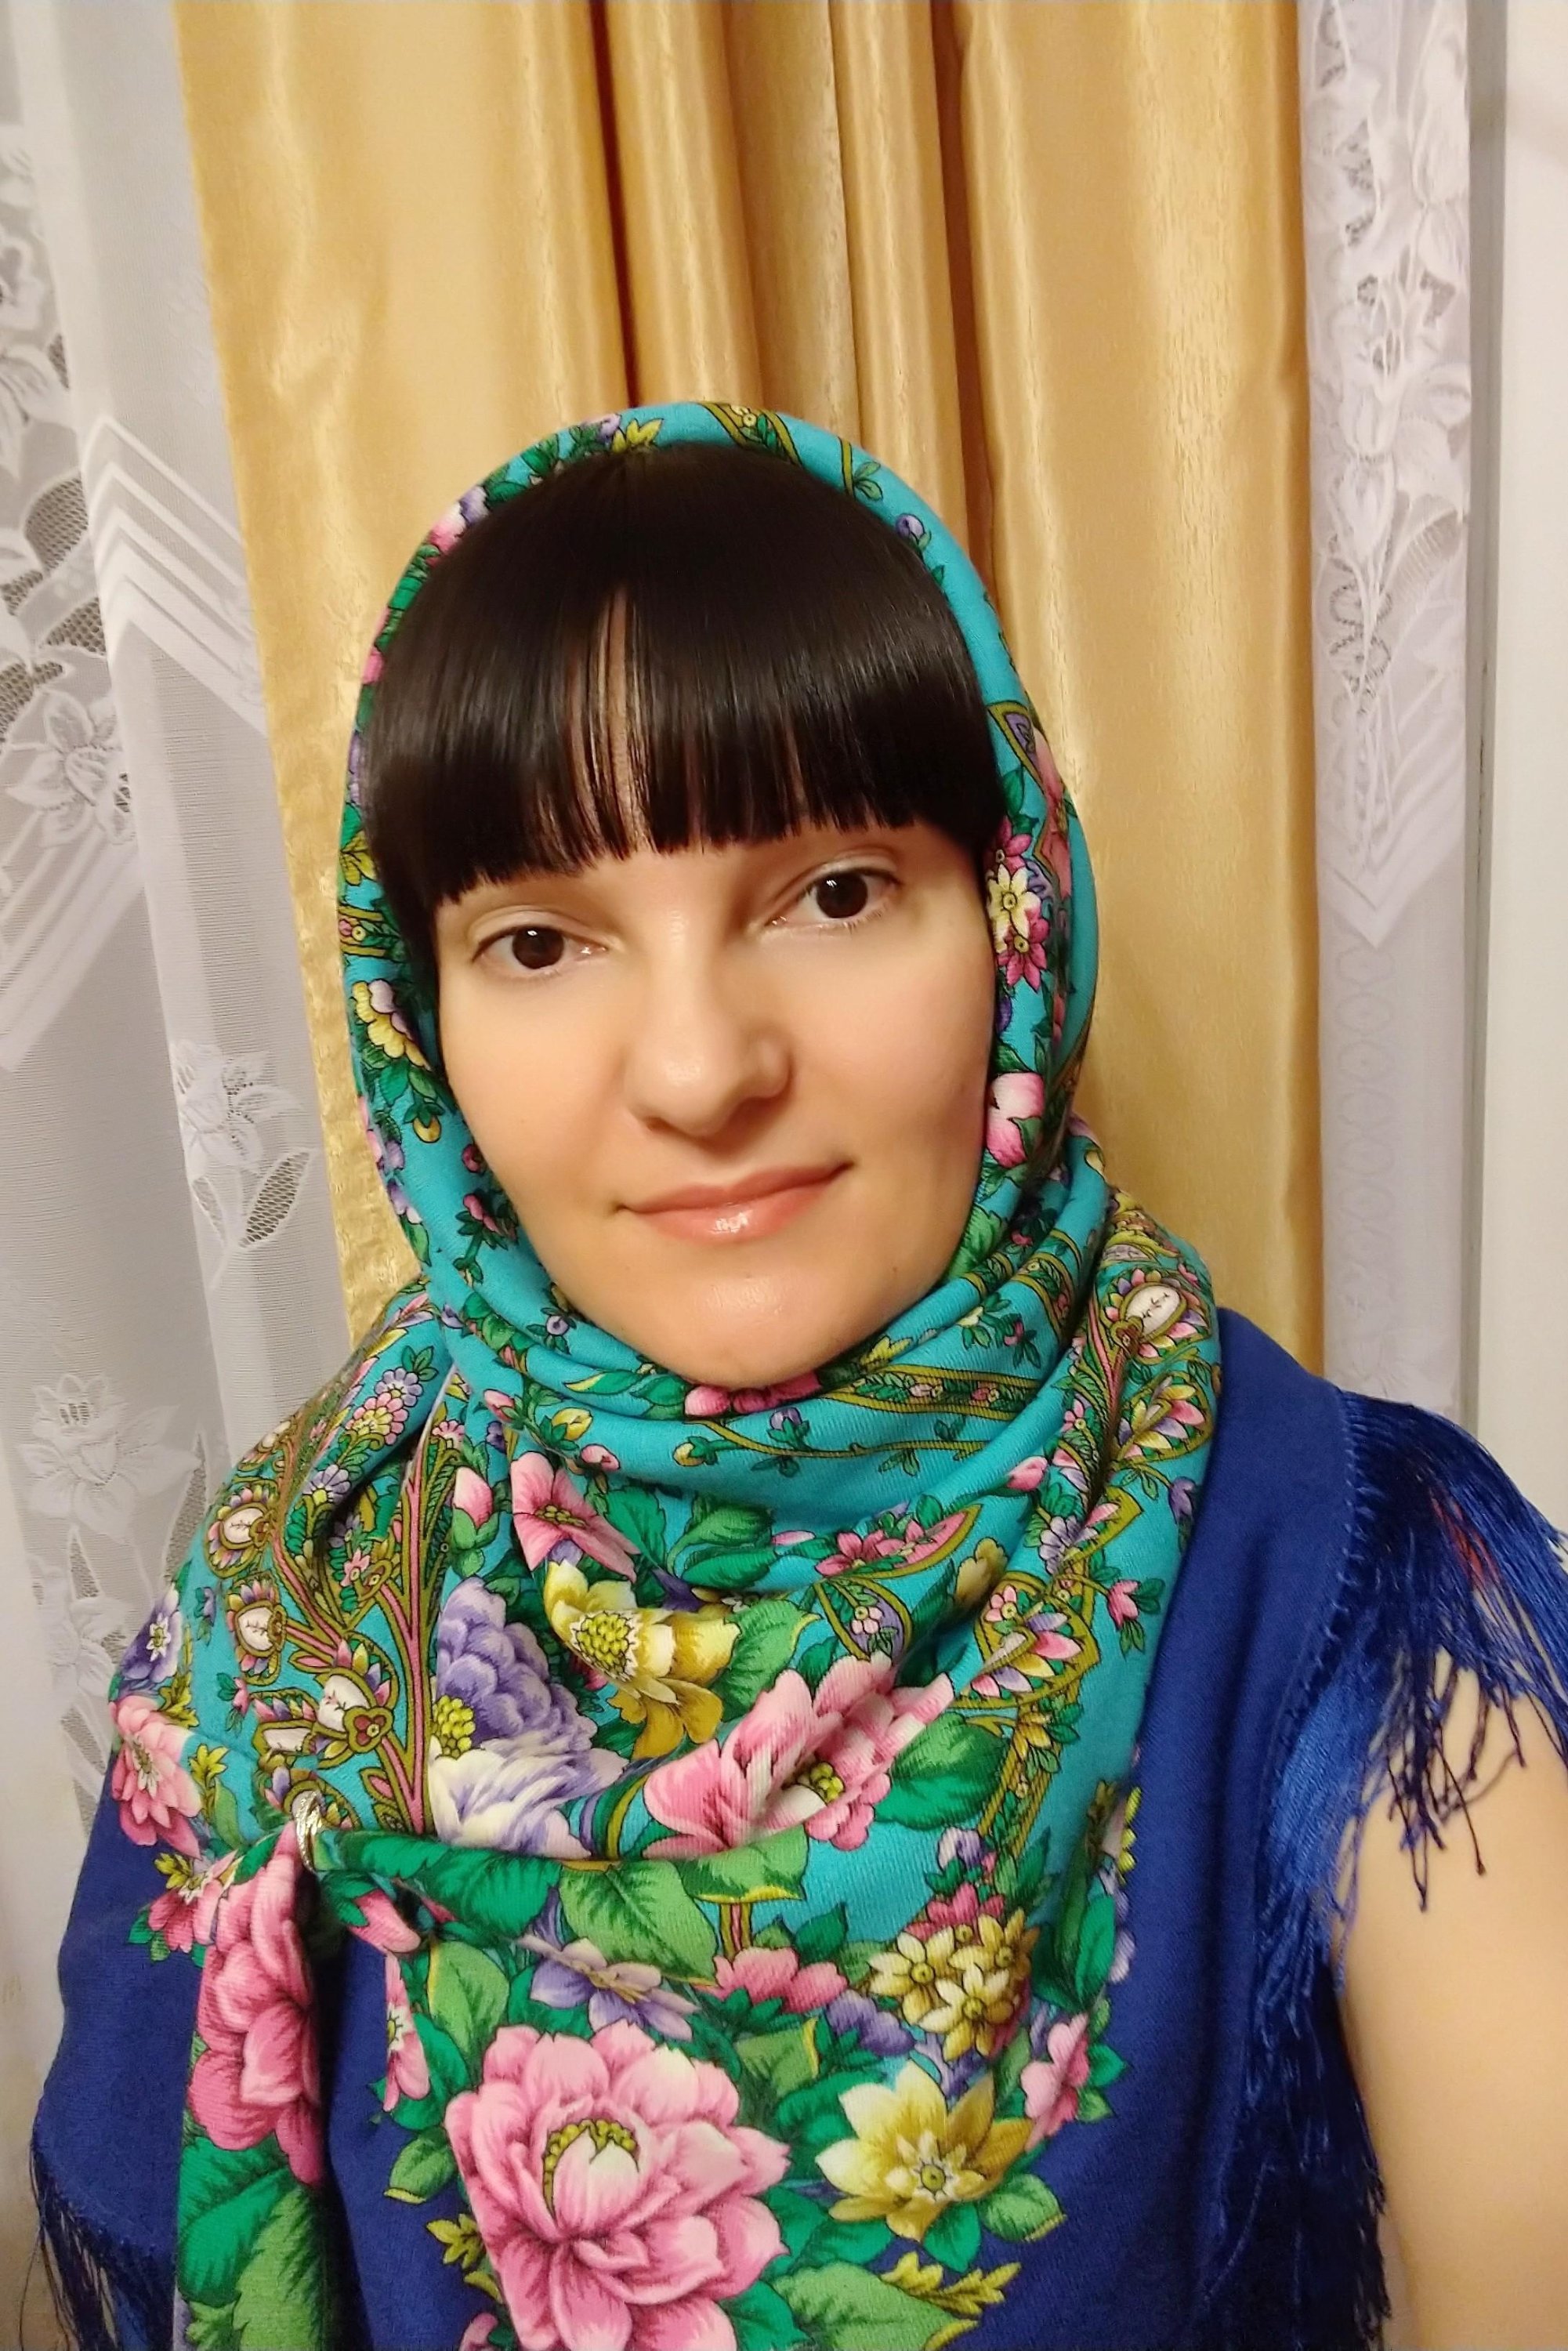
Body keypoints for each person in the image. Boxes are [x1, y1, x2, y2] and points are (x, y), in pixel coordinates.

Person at [30, 401, 1568, 2351]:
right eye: (538, 941)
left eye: (833, 892)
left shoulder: (1338, 1577)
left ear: (1011, 917)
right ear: (416, 1018)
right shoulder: (288, 1597)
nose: (698, 1072)